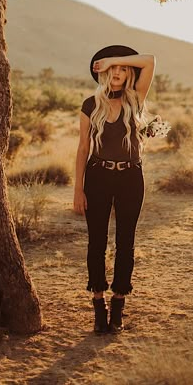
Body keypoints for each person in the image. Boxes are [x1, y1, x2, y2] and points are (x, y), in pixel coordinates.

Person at [73, 45, 156, 334]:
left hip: (131, 178)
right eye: (112, 69)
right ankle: (98, 306)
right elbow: (83, 148)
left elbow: (149, 61)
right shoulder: (90, 105)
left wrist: (113, 59)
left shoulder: (136, 99)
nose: (118, 73)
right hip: (97, 177)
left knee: (126, 242)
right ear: (103, 73)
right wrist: (77, 190)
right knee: (96, 243)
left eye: (123, 69)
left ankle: (118, 305)